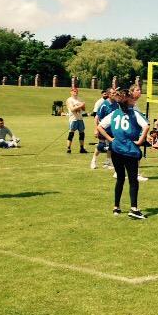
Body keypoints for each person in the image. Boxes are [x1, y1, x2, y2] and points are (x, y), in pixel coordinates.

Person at [97, 89, 150, 219]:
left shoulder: (115, 113)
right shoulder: (134, 113)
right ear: (129, 101)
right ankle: (134, 209)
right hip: (129, 150)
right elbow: (146, 126)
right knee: (133, 180)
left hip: (116, 149)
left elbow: (100, 126)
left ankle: (116, 207)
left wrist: (110, 139)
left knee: (120, 178)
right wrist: (140, 141)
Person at [91, 88, 115, 169]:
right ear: (108, 94)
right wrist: (96, 129)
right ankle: (94, 160)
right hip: (103, 128)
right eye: (112, 93)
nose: (114, 94)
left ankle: (108, 162)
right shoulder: (104, 105)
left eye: (115, 93)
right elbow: (97, 117)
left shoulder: (116, 104)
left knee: (111, 145)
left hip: (112, 129)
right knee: (101, 145)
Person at [65, 87, 88, 154]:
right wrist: (80, 105)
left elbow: (83, 109)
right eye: (74, 91)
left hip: (80, 118)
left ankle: (82, 148)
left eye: (76, 91)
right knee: (71, 133)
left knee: (82, 133)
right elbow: (72, 109)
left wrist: (83, 106)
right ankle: (68, 148)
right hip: (73, 119)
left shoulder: (79, 99)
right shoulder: (69, 100)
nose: (76, 92)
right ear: (71, 92)